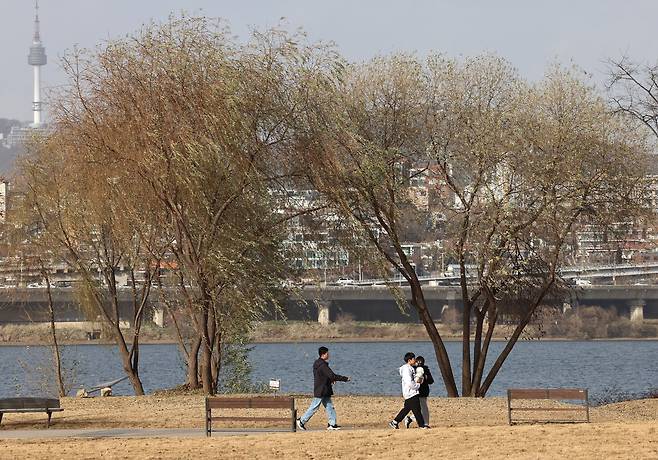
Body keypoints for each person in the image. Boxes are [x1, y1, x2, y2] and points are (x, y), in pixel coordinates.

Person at [297, 346, 350, 431]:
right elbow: (332, 375)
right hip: (321, 390)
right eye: (328, 353)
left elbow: (324, 376)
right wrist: (345, 378)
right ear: (324, 354)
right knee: (314, 407)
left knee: (329, 406)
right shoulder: (322, 365)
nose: (329, 355)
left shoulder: (319, 364)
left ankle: (332, 424)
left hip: (324, 390)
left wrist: (331, 380)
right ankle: (301, 421)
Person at [389, 352, 429, 429]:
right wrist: (417, 386)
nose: (415, 360)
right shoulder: (406, 369)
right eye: (414, 359)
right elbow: (409, 382)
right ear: (409, 360)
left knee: (406, 409)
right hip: (411, 392)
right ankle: (421, 425)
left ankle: (394, 422)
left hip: (411, 392)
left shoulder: (410, 368)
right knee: (417, 409)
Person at [405, 355, 434, 428]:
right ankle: (424, 423)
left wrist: (425, 377)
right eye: (417, 362)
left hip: (424, 391)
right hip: (415, 392)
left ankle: (411, 419)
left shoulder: (426, 370)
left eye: (421, 362)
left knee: (422, 408)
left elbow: (431, 381)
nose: (419, 364)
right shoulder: (412, 370)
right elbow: (410, 381)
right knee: (419, 408)